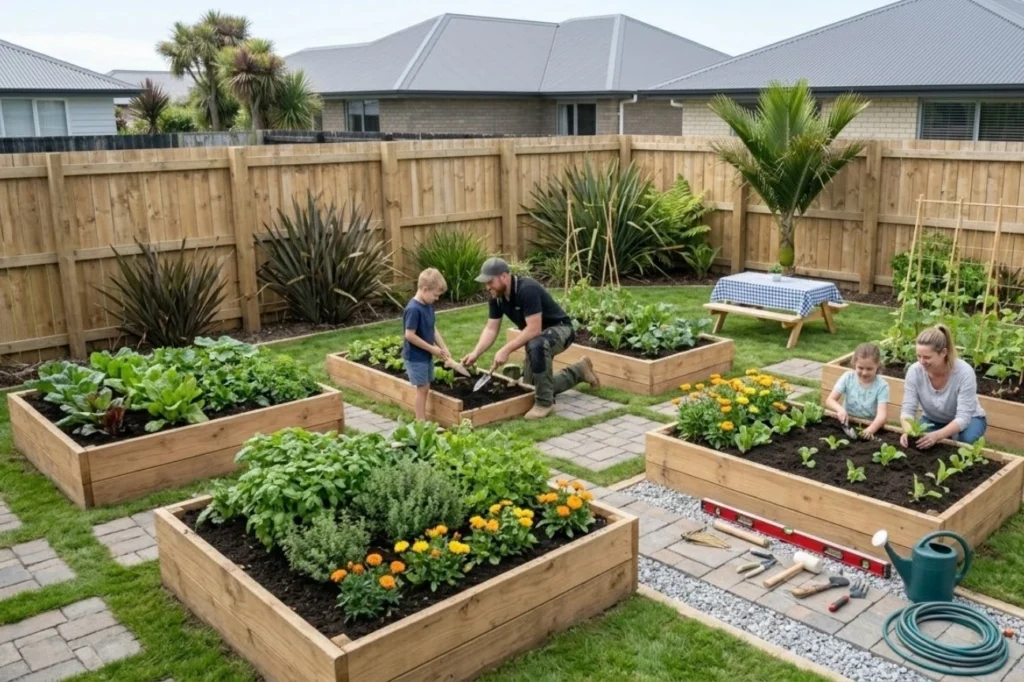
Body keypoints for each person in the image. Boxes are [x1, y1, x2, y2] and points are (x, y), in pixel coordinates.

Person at [460, 257, 599, 419]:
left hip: (561, 329)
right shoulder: (496, 297)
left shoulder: (527, 289)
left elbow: (534, 329)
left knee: (536, 344)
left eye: (490, 281)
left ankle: (544, 404)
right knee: (530, 387)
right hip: (538, 337)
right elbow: (491, 328)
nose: (487, 286)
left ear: (504, 276)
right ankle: (579, 370)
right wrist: (476, 353)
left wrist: (506, 349)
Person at [899, 324, 987, 448]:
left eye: (927, 357)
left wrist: (937, 436)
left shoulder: (964, 372)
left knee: (965, 441)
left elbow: (963, 417)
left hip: (970, 419)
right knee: (920, 443)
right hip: (933, 420)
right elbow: (907, 410)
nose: (921, 362)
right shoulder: (915, 371)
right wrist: (909, 432)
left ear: (943, 352)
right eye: (918, 356)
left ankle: (964, 435)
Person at [403, 268, 452, 421]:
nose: (436, 299)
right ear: (425, 289)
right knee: (422, 388)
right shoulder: (413, 309)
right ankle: (420, 420)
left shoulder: (428, 305)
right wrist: (433, 349)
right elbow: (409, 335)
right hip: (415, 356)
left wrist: (443, 347)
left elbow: (432, 328)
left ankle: (421, 419)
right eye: (435, 295)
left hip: (426, 355)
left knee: (426, 386)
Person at [825, 343, 889, 439]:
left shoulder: (882, 385)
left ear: (877, 365)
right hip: (847, 422)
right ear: (855, 364)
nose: (864, 373)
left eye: (869, 369)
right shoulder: (848, 377)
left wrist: (870, 430)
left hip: (869, 424)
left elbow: (881, 415)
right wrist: (840, 410)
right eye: (860, 368)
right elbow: (830, 400)